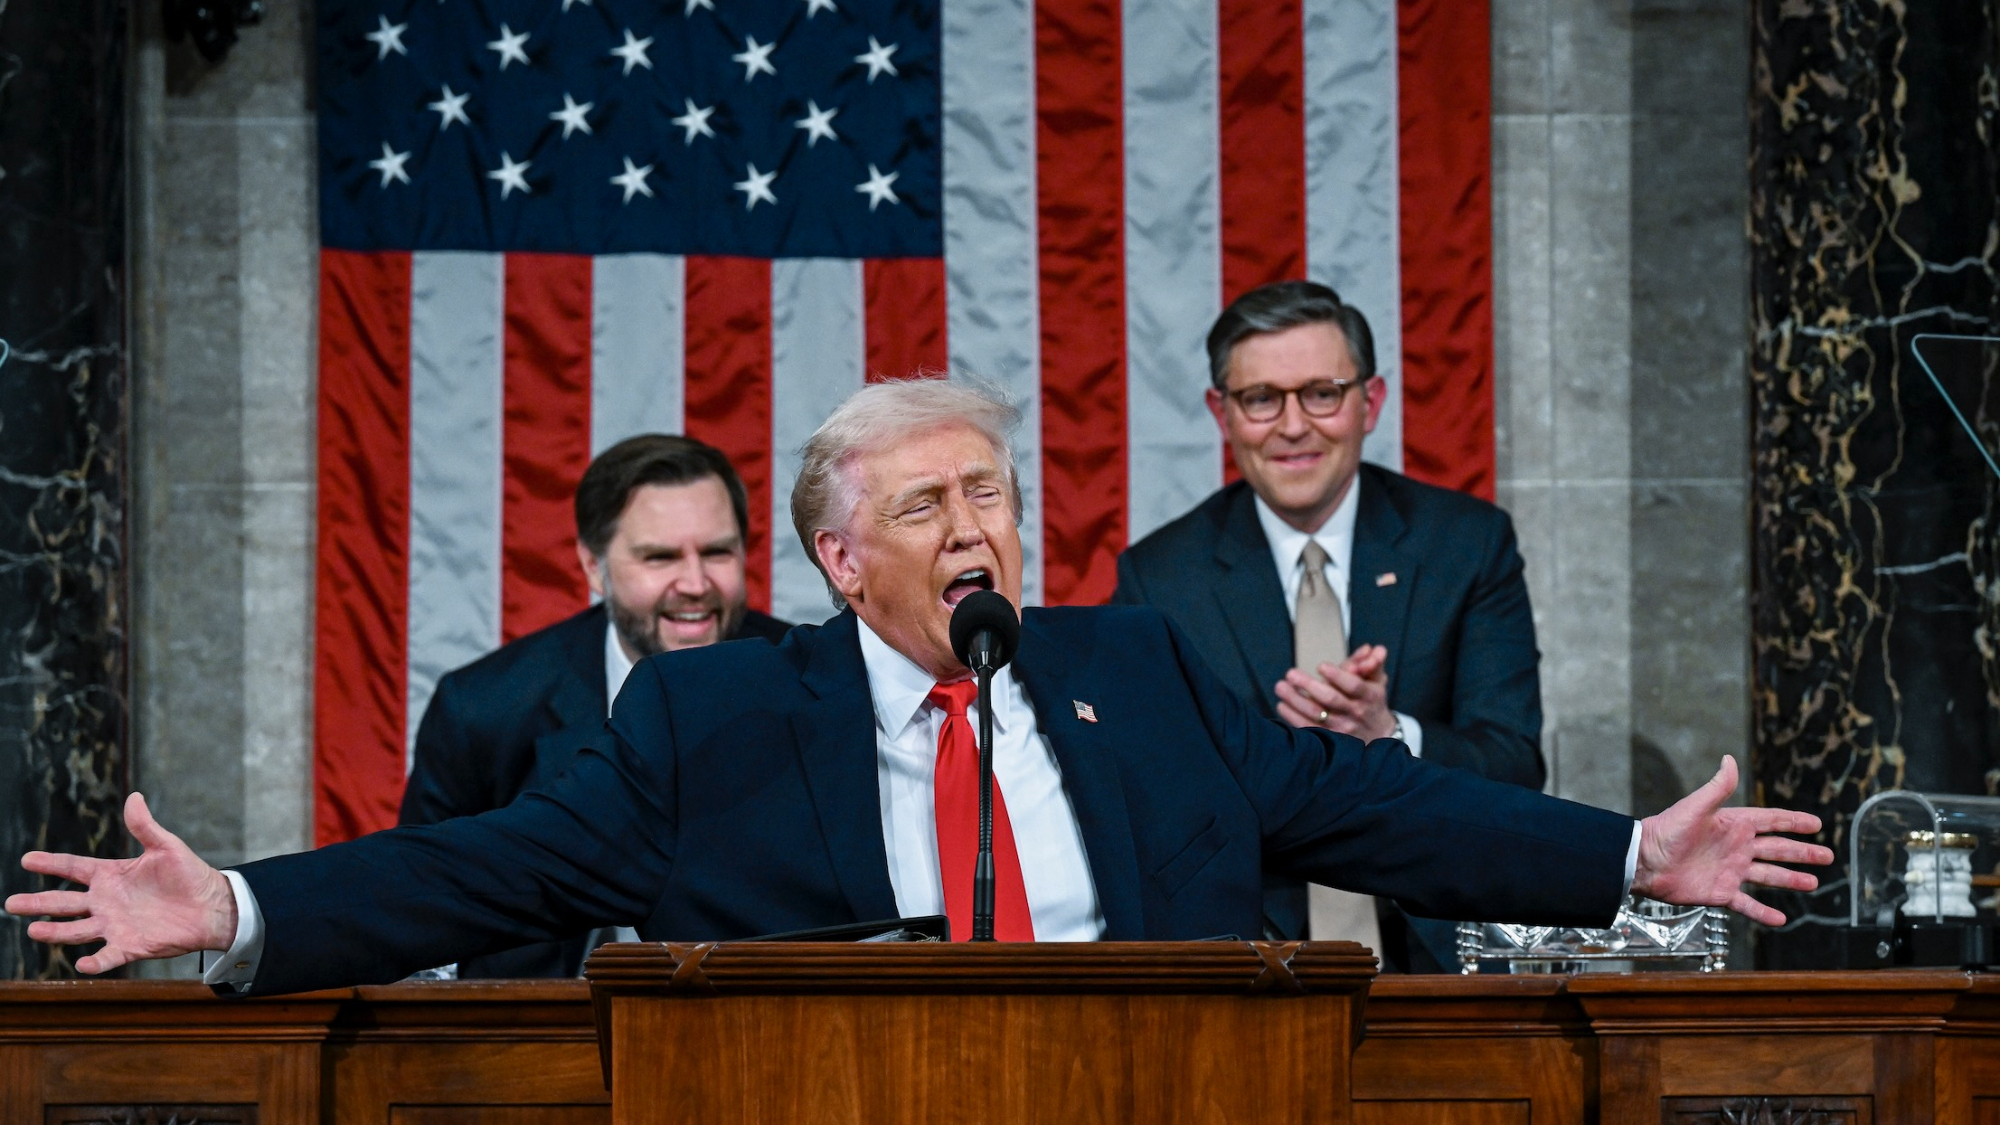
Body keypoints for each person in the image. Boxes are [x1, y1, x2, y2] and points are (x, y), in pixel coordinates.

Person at [6, 380, 1828, 997]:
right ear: (837, 558)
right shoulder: (713, 720)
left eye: (996, 494)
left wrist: (1620, 860)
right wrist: (238, 904)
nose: (979, 527)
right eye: (929, 503)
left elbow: (1376, 809)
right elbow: (480, 871)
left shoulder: (1138, 668)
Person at [1113, 280, 1537, 970]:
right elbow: (1142, 801)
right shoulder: (1159, 578)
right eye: (1261, 399)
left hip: (1441, 958)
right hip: (1248, 964)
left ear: (1371, 401)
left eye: (1321, 392)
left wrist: (1389, 735)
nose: (1292, 425)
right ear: (1221, 412)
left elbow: (1515, 763)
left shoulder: (1467, 545)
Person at [399, 433, 790, 977]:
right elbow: (421, 906)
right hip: (543, 1032)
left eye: (718, 552)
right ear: (592, 566)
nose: (696, 583)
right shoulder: (483, 709)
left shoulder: (813, 683)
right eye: (661, 557)